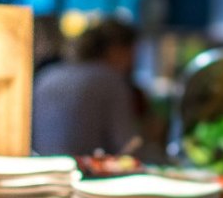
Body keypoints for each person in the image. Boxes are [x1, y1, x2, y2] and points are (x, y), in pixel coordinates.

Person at [32, 17, 141, 156]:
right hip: (84, 172)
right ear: (117, 50)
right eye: (132, 52)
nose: (133, 61)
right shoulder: (109, 79)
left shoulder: (47, 75)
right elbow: (126, 146)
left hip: (40, 169)